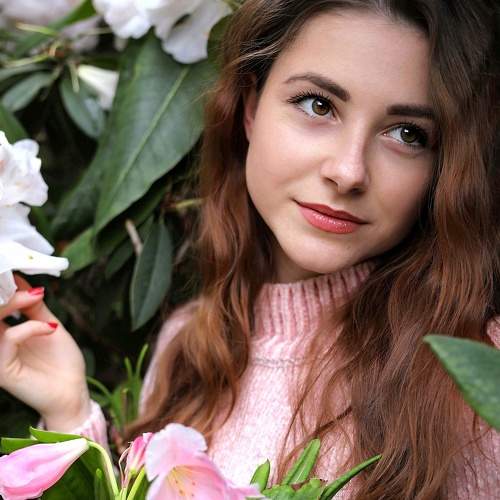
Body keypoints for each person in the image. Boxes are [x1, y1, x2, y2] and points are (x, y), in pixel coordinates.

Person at [1, 0, 499, 498]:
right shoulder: (186, 345)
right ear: (250, 107)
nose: (348, 172)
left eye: (407, 134)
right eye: (318, 105)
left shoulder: (477, 371)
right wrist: (69, 412)